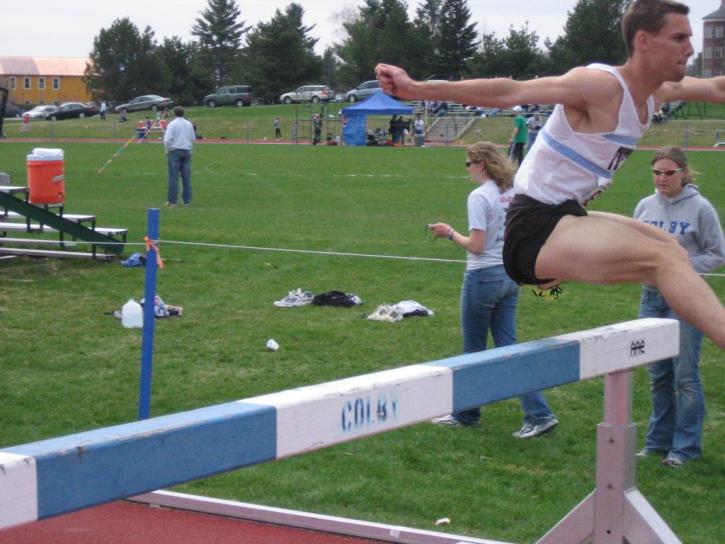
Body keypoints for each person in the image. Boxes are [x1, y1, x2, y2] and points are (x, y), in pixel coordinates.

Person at [376, 0, 725, 350]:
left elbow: (717, 89)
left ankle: (564, 291)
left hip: (567, 218)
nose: (690, 48)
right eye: (679, 38)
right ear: (644, 41)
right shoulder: (598, 85)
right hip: (532, 231)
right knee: (662, 258)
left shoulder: (657, 93)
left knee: (673, 252)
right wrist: (418, 88)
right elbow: (511, 91)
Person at [429, 142, 559, 437]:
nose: (467, 169)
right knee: (509, 348)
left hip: (483, 277)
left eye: (468, 163)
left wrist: (448, 233)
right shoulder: (513, 193)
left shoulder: (479, 196)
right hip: (510, 276)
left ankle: (466, 414)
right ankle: (538, 413)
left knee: (473, 351)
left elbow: (476, 246)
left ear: (481, 165)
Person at [634, 146, 724, 467]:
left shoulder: (701, 208)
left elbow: (716, 253)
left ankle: (684, 448)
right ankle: (657, 442)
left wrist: (678, 272)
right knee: (657, 373)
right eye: (657, 172)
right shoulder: (644, 206)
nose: (662, 178)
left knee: (684, 375)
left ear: (684, 173)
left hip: (686, 300)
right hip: (651, 298)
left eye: (669, 172)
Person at [163, 106, 195, 207]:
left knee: (173, 177)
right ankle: (187, 201)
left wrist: (167, 150)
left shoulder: (172, 124)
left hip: (175, 151)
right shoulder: (189, 123)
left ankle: (172, 201)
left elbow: (167, 139)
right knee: (186, 177)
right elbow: (192, 138)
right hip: (186, 151)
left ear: (174, 113)